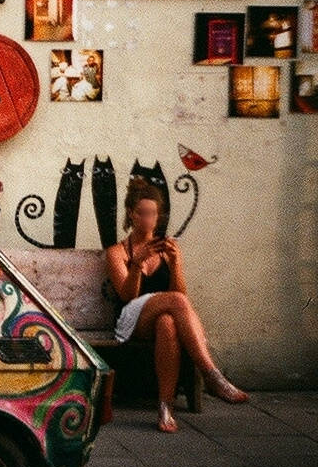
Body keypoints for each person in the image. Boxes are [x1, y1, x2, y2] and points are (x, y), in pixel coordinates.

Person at [104, 177, 247, 432]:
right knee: (176, 302)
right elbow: (127, 296)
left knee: (168, 323)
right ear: (131, 214)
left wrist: (176, 262)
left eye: (152, 214)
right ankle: (211, 374)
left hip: (160, 315)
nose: (148, 219)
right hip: (131, 319)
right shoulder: (118, 252)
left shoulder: (167, 248)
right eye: (142, 213)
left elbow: (180, 294)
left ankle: (165, 407)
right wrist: (137, 264)